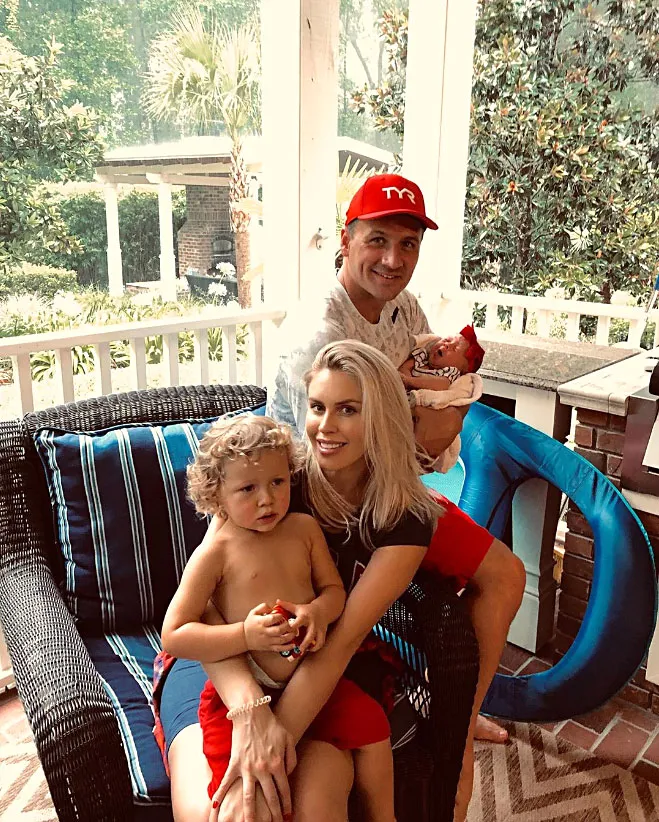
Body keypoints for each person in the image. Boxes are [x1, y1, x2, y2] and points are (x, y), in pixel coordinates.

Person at [266, 173, 526, 798]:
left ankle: (461, 714)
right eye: (377, 240)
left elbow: (432, 398)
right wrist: (429, 426)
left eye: (408, 244)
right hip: (324, 500)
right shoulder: (318, 331)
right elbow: (326, 451)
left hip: (387, 484)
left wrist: (437, 410)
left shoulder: (405, 308)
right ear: (346, 241)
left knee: (505, 575)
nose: (393, 259)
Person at [155, 340, 449, 822]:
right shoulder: (274, 475)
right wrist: (250, 712)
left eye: (348, 409)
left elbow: (340, 631)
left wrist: (275, 741)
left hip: (313, 665)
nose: (325, 427)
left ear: (382, 417)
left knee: (309, 795)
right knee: (225, 807)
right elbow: (201, 609)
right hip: (221, 662)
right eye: (317, 407)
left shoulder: (397, 518)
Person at [160, 414, 396, 822]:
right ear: (216, 496)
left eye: (277, 482)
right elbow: (175, 634)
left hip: (310, 683)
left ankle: (384, 815)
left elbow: (334, 591)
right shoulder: (215, 553)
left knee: (374, 726)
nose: (267, 499)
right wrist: (244, 635)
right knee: (236, 794)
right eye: (247, 489)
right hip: (242, 692)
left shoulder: (304, 530)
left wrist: (316, 612)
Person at [398, 325, 485, 473]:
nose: (446, 345)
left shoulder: (448, 373)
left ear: (462, 369)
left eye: (455, 349)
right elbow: (404, 368)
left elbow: (441, 386)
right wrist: (403, 377)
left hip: (420, 406)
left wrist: (411, 381)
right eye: (447, 340)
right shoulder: (421, 357)